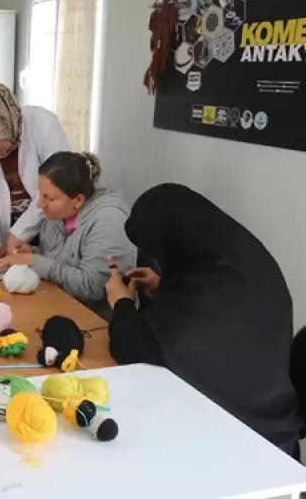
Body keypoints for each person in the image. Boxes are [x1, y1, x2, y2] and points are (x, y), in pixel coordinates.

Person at [105, 183, 301, 458]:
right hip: (276, 432)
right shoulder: (246, 262)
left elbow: (135, 348)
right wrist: (165, 287)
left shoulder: (214, 297)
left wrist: (120, 301)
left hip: (240, 451)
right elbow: (217, 321)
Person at [0, 152, 135, 313]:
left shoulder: (109, 221)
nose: (40, 204)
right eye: (41, 195)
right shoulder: (58, 213)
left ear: (78, 201)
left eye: (48, 198)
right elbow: (60, 260)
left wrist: (34, 261)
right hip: (58, 303)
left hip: (98, 319)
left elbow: (92, 287)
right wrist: (32, 252)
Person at [0, 81, 70, 270]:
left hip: (53, 229)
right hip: (11, 238)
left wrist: (19, 232)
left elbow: (58, 188)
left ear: (8, 120)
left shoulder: (43, 125)